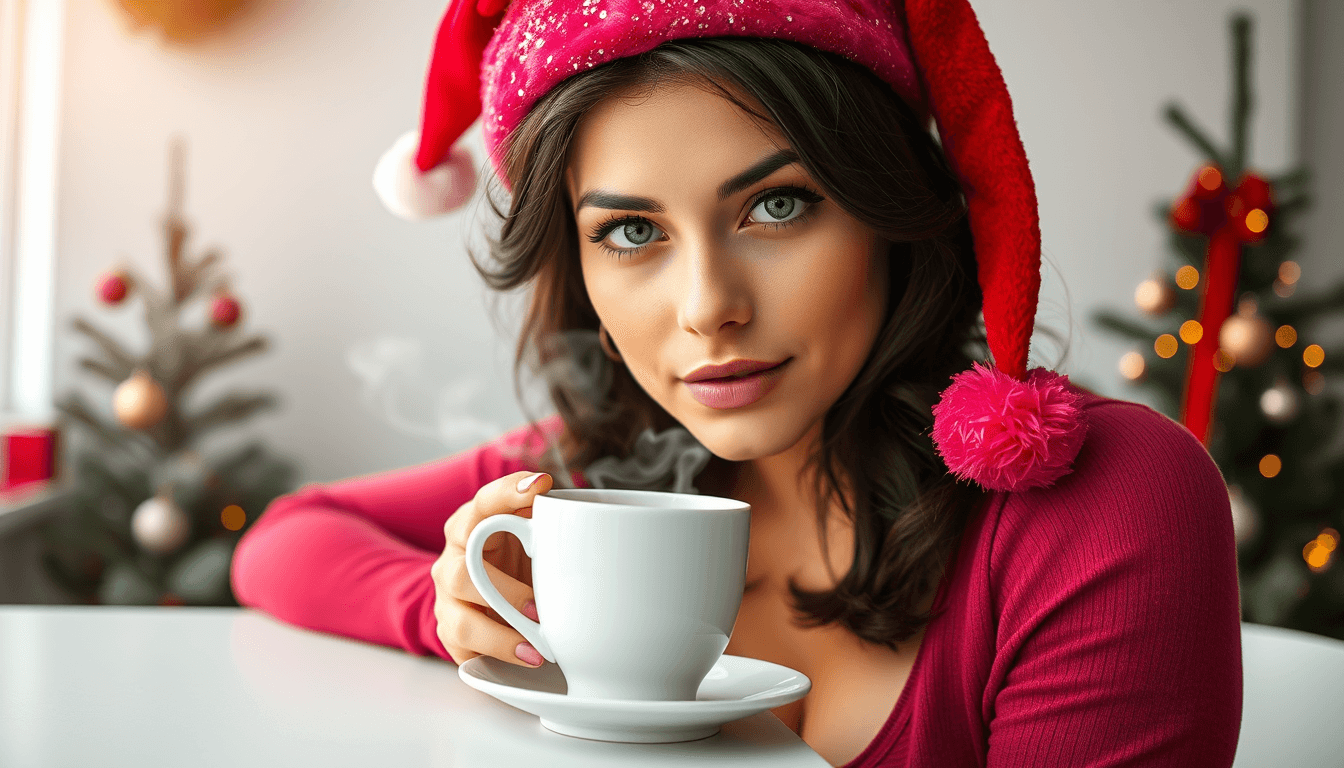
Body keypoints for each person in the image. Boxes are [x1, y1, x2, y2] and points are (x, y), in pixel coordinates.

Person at [230, 1, 1243, 765]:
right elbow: (285, 542)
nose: (708, 306)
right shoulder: (592, 489)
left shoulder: (1101, 501)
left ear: (891, 209)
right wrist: (450, 608)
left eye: (779, 206)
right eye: (632, 232)